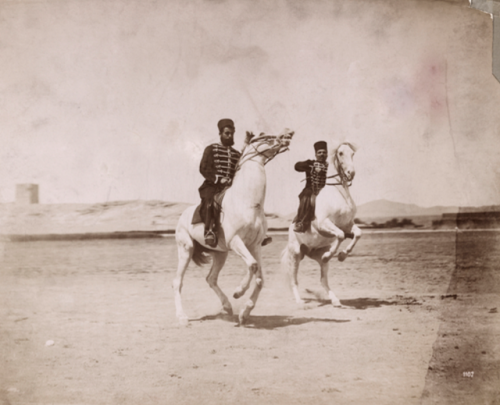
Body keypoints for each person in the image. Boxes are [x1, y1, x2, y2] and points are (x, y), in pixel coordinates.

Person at [198, 119, 242, 247]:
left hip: (230, 188)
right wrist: (218, 178)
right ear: (220, 133)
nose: (230, 136)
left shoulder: (236, 153)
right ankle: (209, 231)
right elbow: (203, 168)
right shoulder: (211, 149)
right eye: (227, 133)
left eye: (232, 133)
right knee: (210, 201)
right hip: (212, 186)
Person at [292, 141, 329, 233]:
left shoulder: (330, 165)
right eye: (319, 152)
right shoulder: (310, 163)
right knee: (306, 197)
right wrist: (311, 167)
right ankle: (301, 223)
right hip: (311, 189)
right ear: (316, 154)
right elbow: (297, 166)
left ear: (327, 154)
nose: (322, 154)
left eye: (324, 152)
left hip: (326, 190)